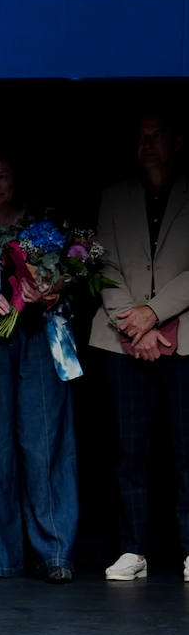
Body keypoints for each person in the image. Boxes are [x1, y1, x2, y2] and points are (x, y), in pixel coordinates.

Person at [90, 114, 189, 582]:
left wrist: (154, 314)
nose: (148, 144)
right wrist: (136, 324)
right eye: (141, 136)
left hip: (183, 335)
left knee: (185, 449)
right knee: (129, 451)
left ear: (177, 140)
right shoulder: (114, 194)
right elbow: (103, 265)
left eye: (157, 135)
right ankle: (133, 549)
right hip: (120, 338)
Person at [0, 158, 81, 583]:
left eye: (3, 176)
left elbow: (75, 266)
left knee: (44, 444)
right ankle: (0, 558)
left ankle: (55, 553)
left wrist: (56, 287)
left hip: (39, 336)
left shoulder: (44, 223)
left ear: (16, 179)